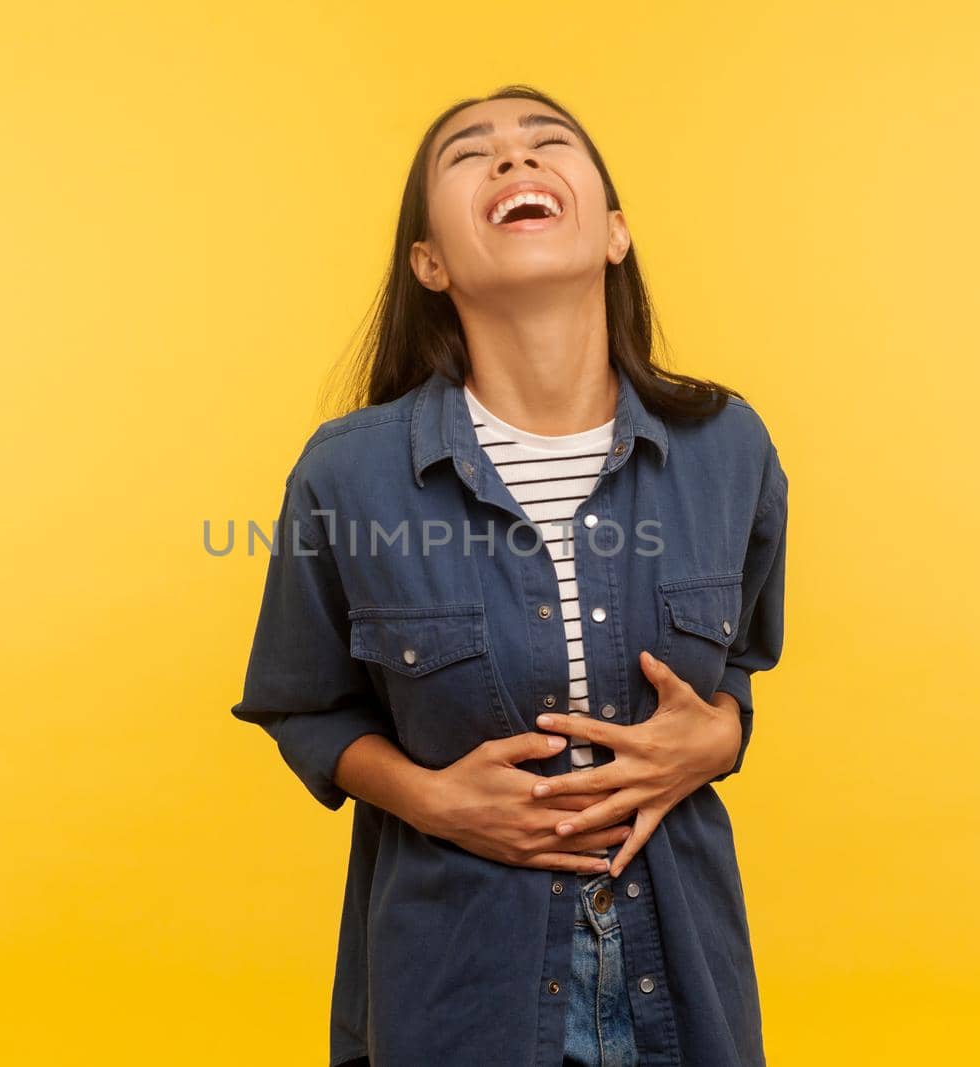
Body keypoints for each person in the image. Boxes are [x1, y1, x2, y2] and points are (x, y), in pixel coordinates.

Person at [230, 84, 789, 1067]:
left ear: (614, 231)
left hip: (682, 982)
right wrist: (429, 797)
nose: (512, 160)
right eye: (469, 153)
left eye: (546, 142)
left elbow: (738, 665)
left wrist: (722, 733)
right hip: (457, 989)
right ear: (430, 262)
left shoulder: (726, 446)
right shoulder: (347, 472)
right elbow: (303, 706)